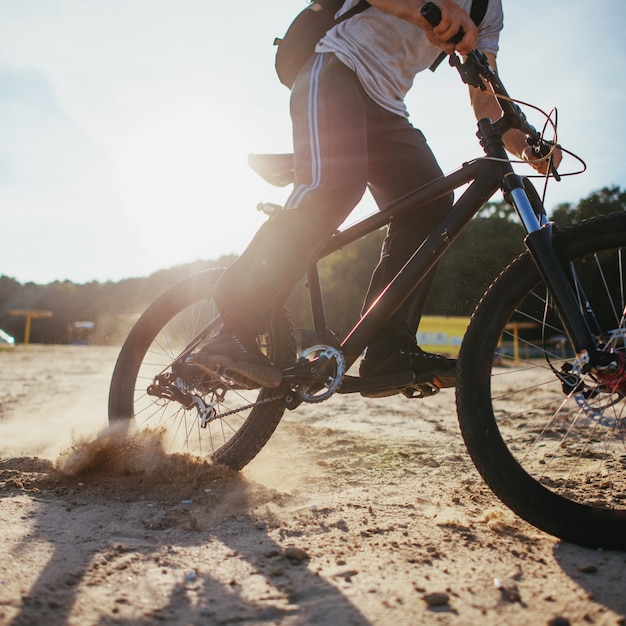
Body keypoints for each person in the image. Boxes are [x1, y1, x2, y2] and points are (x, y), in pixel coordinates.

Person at [193, 0, 561, 392]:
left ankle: (388, 346)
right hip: (334, 67)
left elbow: (485, 98)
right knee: (335, 189)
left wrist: (527, 148)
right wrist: (427, 9)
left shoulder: (487, 9)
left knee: (431, 205)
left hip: (387, 109)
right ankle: (234, 325)